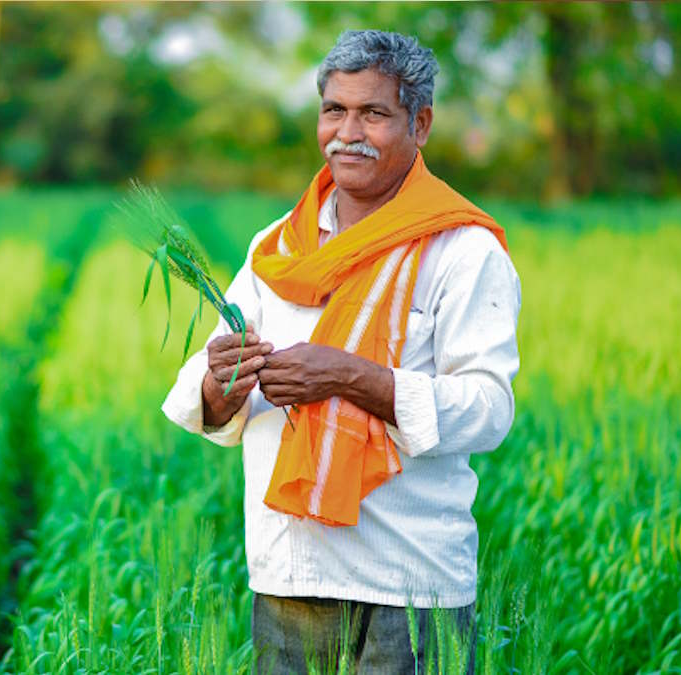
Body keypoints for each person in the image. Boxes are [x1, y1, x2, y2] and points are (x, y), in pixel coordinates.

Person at [161, 29, 521, 673]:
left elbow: (490, 409)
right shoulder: (278, 244)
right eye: (334, 110)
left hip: (411, 580)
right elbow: (214, 390)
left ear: (422, 123)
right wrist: (221, 381)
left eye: (374, 113)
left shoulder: (463, 252)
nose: (346, 132)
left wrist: (356, 379)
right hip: (291, 571)